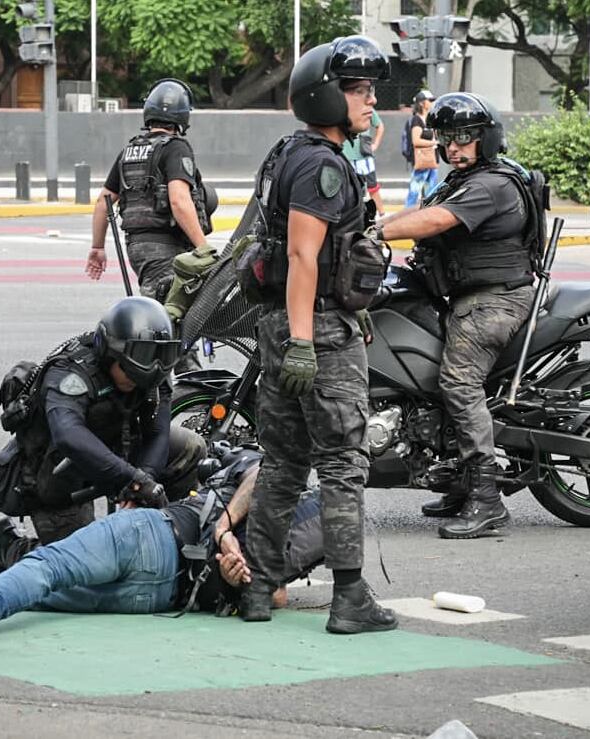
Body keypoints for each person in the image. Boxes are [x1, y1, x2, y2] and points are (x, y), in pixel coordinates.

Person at [237, 35, 398, 636]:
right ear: (328, 97)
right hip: (318, 333)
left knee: (281, 465)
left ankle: (257, 587)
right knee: (340, 465)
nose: (371, 101)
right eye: (360, 91)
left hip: (284, 328)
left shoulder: (292, 153)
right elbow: (305, 257)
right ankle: (350, 597)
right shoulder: (321, 166)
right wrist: (306, 340)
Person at [0, 446, 327, 642]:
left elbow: (260, 468)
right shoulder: (312, 530)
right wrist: (241, 577)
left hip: (151, 538)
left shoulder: (281, 480)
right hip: (161, 594)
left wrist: (224, 530)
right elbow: (277, 595)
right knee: (43, 592)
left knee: (48, 568)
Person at [374, 92, 539, 539]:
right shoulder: (464, 179)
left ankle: (487, 500)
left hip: (494, 300)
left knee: (458, 380)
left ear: (486, 139)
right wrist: (374, 222)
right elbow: (423, 211)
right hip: (466, 297)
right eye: (447, 139)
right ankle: (458, 477)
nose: (454, 147)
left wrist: (374, 232)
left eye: (464, 138)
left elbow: (435, 222)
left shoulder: (493, 185)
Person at [0, 296, 207, 572]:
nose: (144, 376)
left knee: (190, 446)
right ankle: (11, 548)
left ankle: (166, 528)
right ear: (110, 354)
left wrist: (146, 483)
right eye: (133, 368)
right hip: (60, 474)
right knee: (84, 569)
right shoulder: (69, 372)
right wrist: (131, 477)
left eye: (155, 362)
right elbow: (69, 435)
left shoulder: (153, 371)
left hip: (116, 453)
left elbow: (157, 432)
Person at [86, 79, 215, 374]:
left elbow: (104, 201)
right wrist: (203, 247)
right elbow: (180, 200)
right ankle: (187, 388)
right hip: (166, 250)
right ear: (183, 117)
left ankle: (168, 381)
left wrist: (97, 247)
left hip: (139, 249)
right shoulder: (176, 148)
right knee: (171, 323)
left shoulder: (131, 151)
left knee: (165, 314)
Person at [343, 110, 386, 217]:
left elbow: (379, 125)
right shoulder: (339, 106)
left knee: (372, 187)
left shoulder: (367, 108)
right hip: (345, 157)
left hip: (364, 156)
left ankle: (382, 215)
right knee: (349, 190)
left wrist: (375, 144)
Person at [403, 90, 438, 209]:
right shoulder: (416, 120)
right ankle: (406, 216)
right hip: (421, 161)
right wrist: (434, 142)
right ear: (422, 103)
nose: (432, 103)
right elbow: (416, 141)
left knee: (431, 193)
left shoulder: (428, 119)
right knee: (414, 191)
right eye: (430, 100)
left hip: (431, 161)